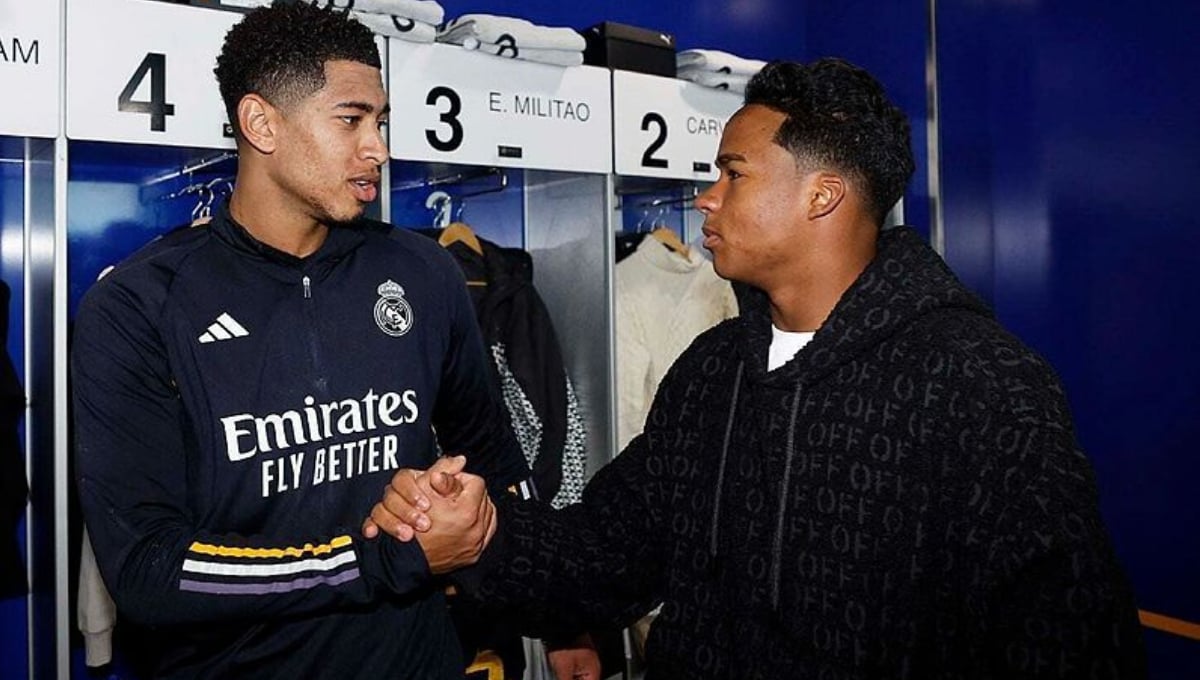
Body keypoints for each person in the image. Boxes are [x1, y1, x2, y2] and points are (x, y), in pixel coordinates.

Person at [366, 58, 1148, 678]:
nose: (706, 199)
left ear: (822, 197)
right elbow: (605, 552)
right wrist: (483, 532)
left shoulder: (982, 383)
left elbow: (1071, 639)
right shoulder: (714, 373)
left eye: (733, 173)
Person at [72, 4, 597, 678]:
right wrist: (382, 559)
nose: (377, 148)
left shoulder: (423, 271)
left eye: (381, 123)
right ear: (261, 123)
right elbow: (149, 568)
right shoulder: (138, 304)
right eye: (351, 120)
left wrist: (559, 616)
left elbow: (492, 462)